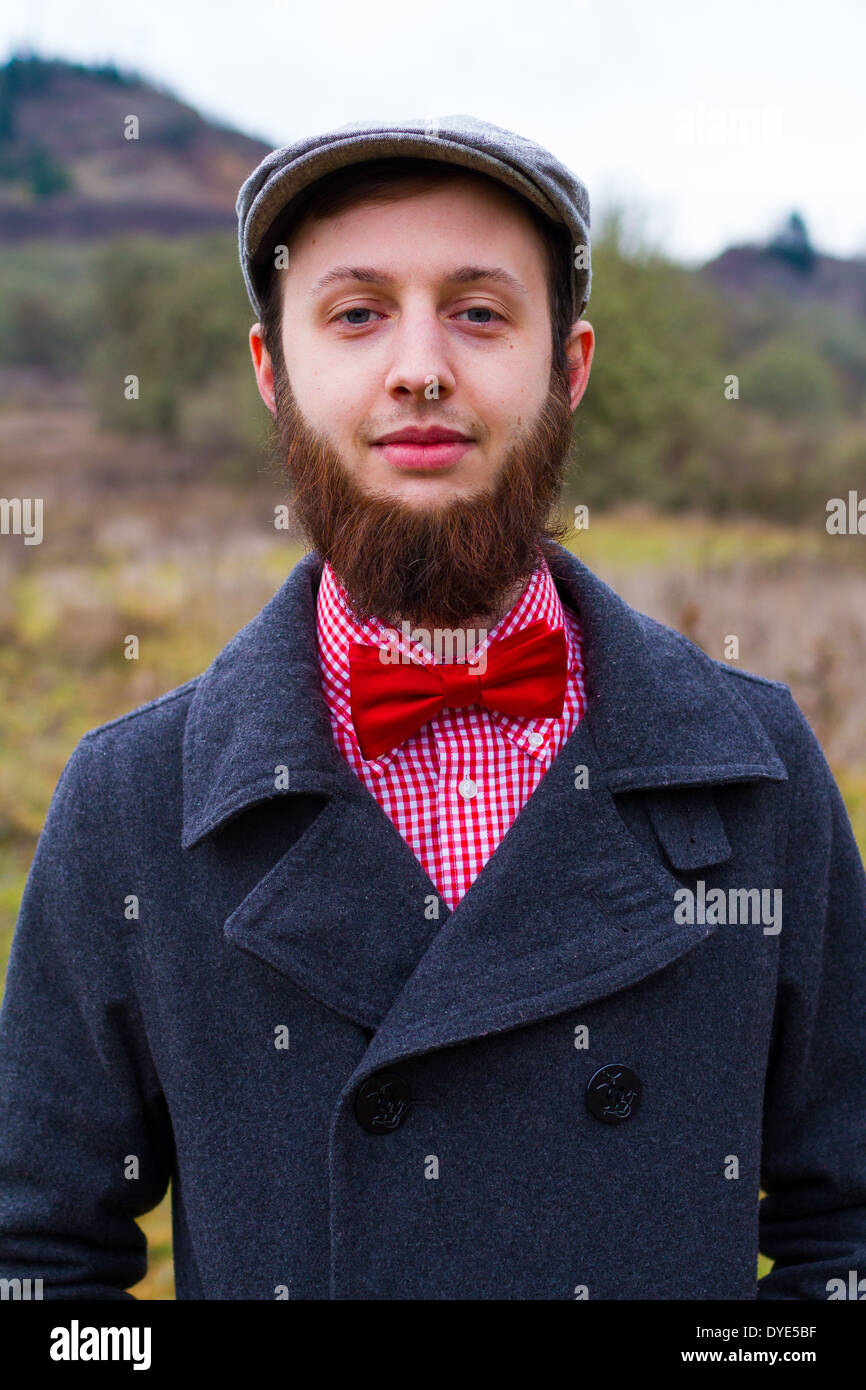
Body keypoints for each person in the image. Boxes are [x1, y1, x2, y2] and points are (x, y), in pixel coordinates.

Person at [0, 116, 864, 1302]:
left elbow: (846, 1233)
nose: (419, 366)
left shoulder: (758, 770)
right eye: (356, 313)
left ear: (568, 367)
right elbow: (40, 1265)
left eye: (478, 311)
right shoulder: (129, 804)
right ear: (274, 372)